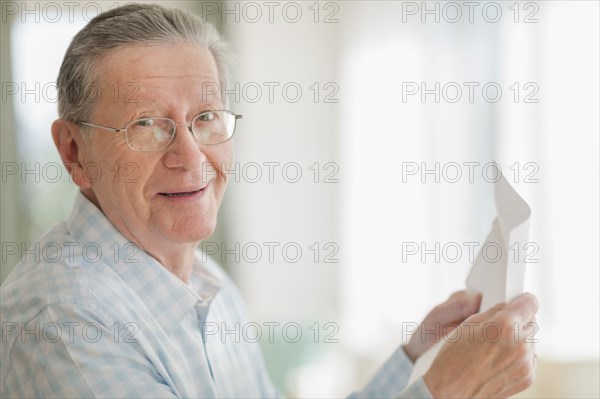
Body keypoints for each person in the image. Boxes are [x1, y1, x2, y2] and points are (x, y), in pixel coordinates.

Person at [0, 4, 538, 398]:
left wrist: (417, 356)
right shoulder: (62, 322)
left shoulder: (207, 282)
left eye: (205, 118)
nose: (191, 159)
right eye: (147, 124)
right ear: (74, 153)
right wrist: (447, 390)